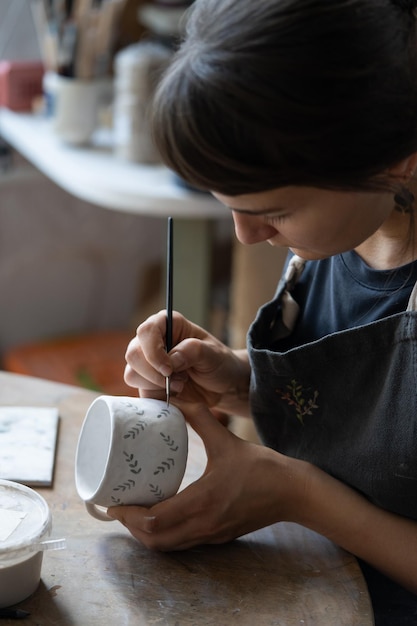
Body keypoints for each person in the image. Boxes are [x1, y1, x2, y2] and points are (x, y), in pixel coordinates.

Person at [108, 1, 417, 623]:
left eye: (273, 212)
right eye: (229, 205)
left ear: (398, 155)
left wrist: (296, 495)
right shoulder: (339, 229)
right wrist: (241, 381)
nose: (246, 236)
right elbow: (370, 415)